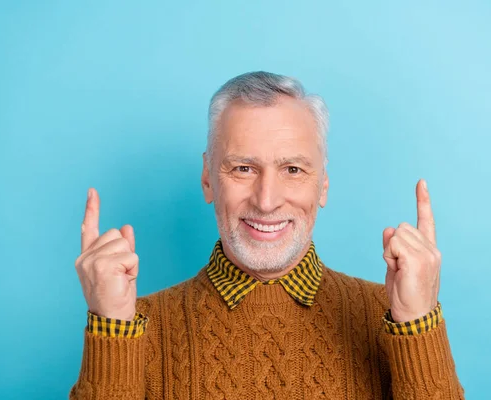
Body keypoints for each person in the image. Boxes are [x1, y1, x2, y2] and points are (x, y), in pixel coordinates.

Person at [70, 71, 465, 399]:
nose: (266, 200)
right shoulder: (131, 327)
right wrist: (111, 328)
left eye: (293, 169)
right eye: (243, 168)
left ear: (322, 185)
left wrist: (418, 324)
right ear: (208, 178)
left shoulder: (392, 317)